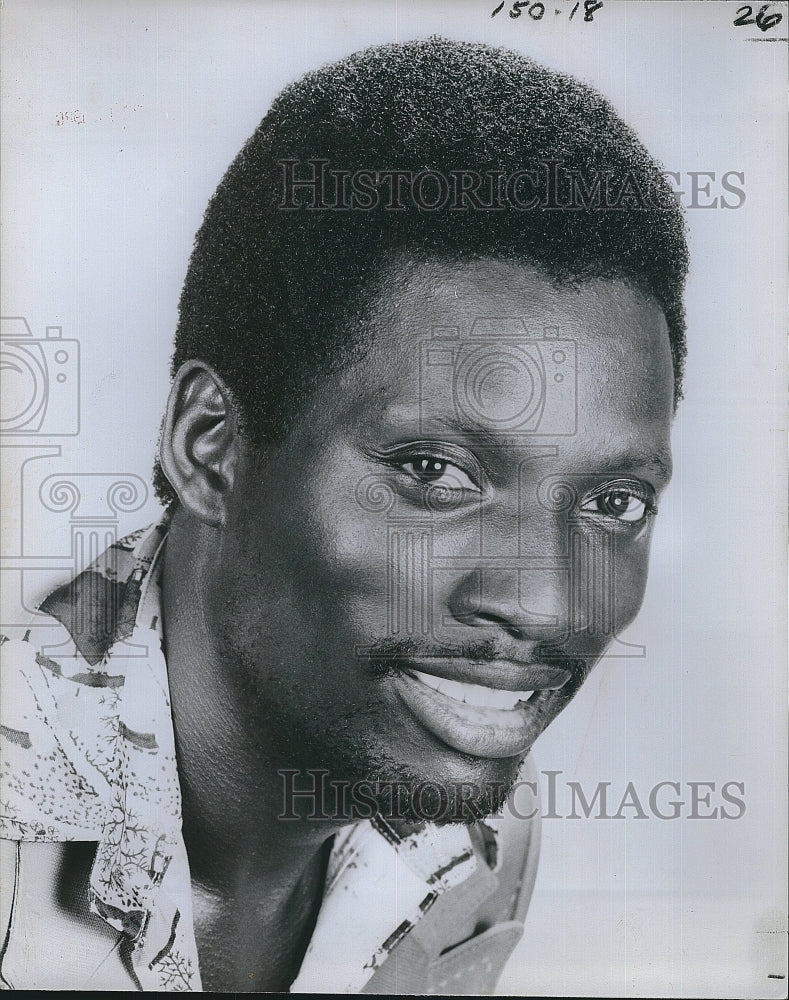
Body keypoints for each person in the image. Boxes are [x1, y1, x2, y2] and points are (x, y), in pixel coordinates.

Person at [0, 36, 687, 993]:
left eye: (612, 502)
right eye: (435, 470)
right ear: (211, 449)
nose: (547, 608)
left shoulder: (474, 843)